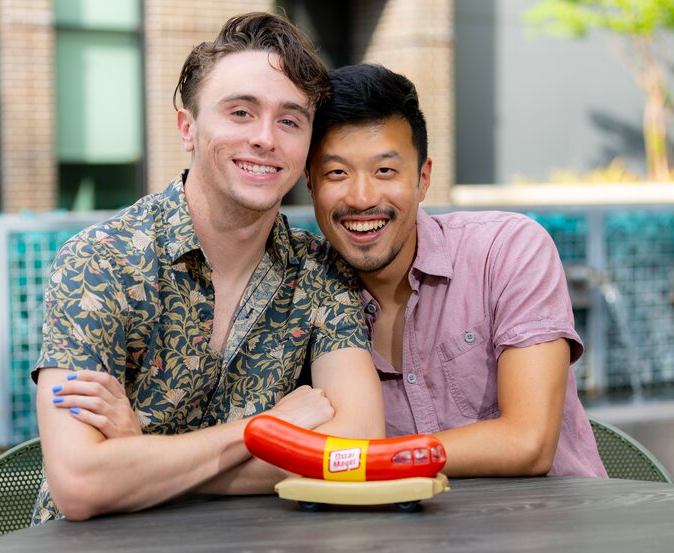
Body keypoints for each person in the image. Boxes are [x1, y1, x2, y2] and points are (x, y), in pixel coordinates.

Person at [32, 13, 384, 524]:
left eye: (289, 120)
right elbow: (82, 485)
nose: (265, 138)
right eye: (240, 112)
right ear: (188, 128)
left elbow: (358, 449)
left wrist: (143, 456)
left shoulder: (320, 271)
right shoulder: (100, 261)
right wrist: (263, 430)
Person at [306, 63, 606, 477]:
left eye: (385, 171)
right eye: (336, 173)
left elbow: (527, 442)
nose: (361, 197)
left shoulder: (506, 249)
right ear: (310, 185)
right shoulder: (305, 298)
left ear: (423, 178)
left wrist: (363, 460)